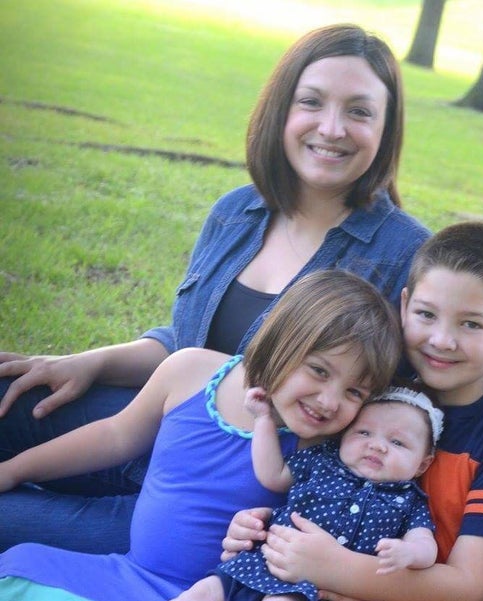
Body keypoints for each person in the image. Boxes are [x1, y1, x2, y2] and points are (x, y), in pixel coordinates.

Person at [0, 23, 429, 554]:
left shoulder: (404, 256)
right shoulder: (237, 212)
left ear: (387, 131)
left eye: (359, 111)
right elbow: (190, 343)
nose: (332, 127)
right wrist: (89, 362)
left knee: (7, 520)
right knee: (9, 394)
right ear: (281, 111)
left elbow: (390, 413)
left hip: (222, 500)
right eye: (311, 102)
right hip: (153, 429)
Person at [0, 270, 403, 601]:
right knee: (20, 567)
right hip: (127, 571)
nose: (330, 401)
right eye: (318, 370)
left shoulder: (326, 452)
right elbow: (115, 436)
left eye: (355, 392)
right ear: (281, 342)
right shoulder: (192, 372)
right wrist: (15, 470)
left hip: (211, 593)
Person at [222, 222, 483, 601]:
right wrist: (265, 530)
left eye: (472, 324)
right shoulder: (367, 396)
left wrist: (333, 567)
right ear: (405, 305)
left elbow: (468, 586)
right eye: (427, 314)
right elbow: (318, 486)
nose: (442, 340)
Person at [175, 384, 444, 601]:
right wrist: (263, 419)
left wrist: (410, 553)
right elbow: (272, 474)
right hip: (258, 562)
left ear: (422, 463)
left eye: (397, 442)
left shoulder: (409, 500)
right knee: (203, 592)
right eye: (363, 433)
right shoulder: (322, 461)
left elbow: (424, 542)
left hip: (309, 588)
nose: (377, 446)